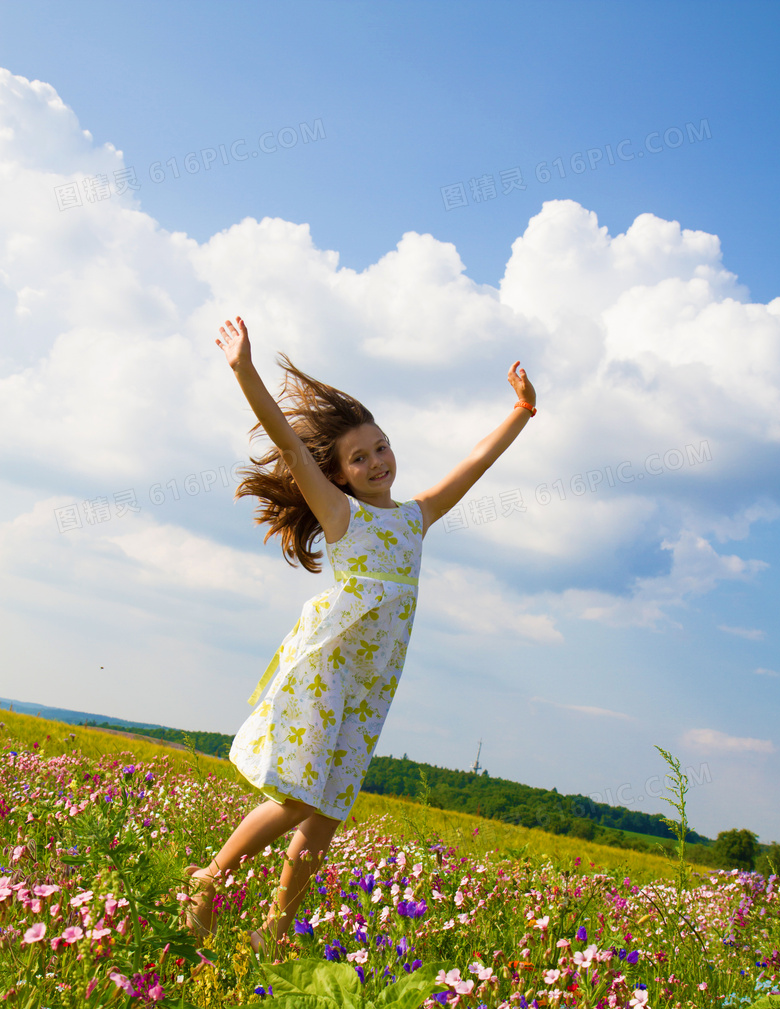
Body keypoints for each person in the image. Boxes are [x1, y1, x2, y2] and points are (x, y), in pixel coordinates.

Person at [184, 316, 538, 956]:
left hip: (371, 688)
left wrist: (520, 413)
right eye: (359, 456)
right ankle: (209, 880)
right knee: (297, 797)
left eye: (382, 447)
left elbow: (472, 465)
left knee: (326, 819)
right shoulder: (341, 514)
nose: (376, 461)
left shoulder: (415, 519)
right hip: (324, 668)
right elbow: (291, 447)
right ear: (341, 474)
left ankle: (272, 935)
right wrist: (244, 371)